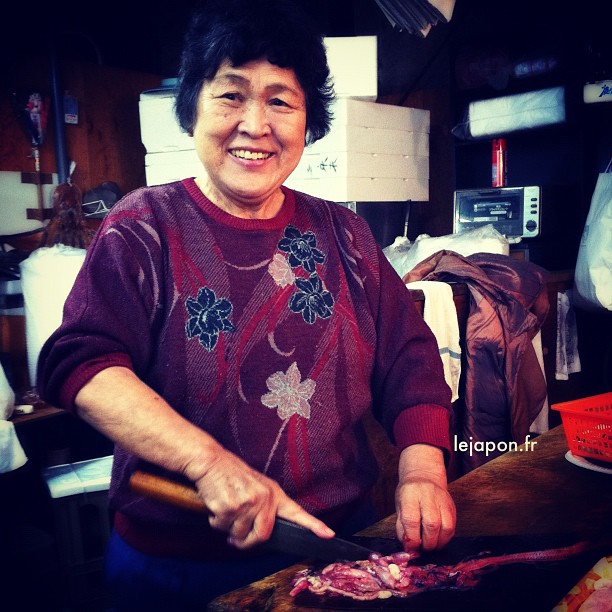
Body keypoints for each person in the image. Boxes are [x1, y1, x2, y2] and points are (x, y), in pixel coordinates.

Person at [38, 0, 456, 607]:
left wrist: (422, 469)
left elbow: (410, 356)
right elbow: (80, 363)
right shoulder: (142, 227)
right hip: (175, 568)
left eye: (281, 100)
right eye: (230, 96)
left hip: (336, 550)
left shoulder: (343, 233)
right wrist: (210, 466)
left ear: (308, 120)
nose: (255, 124)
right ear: (193, 109)